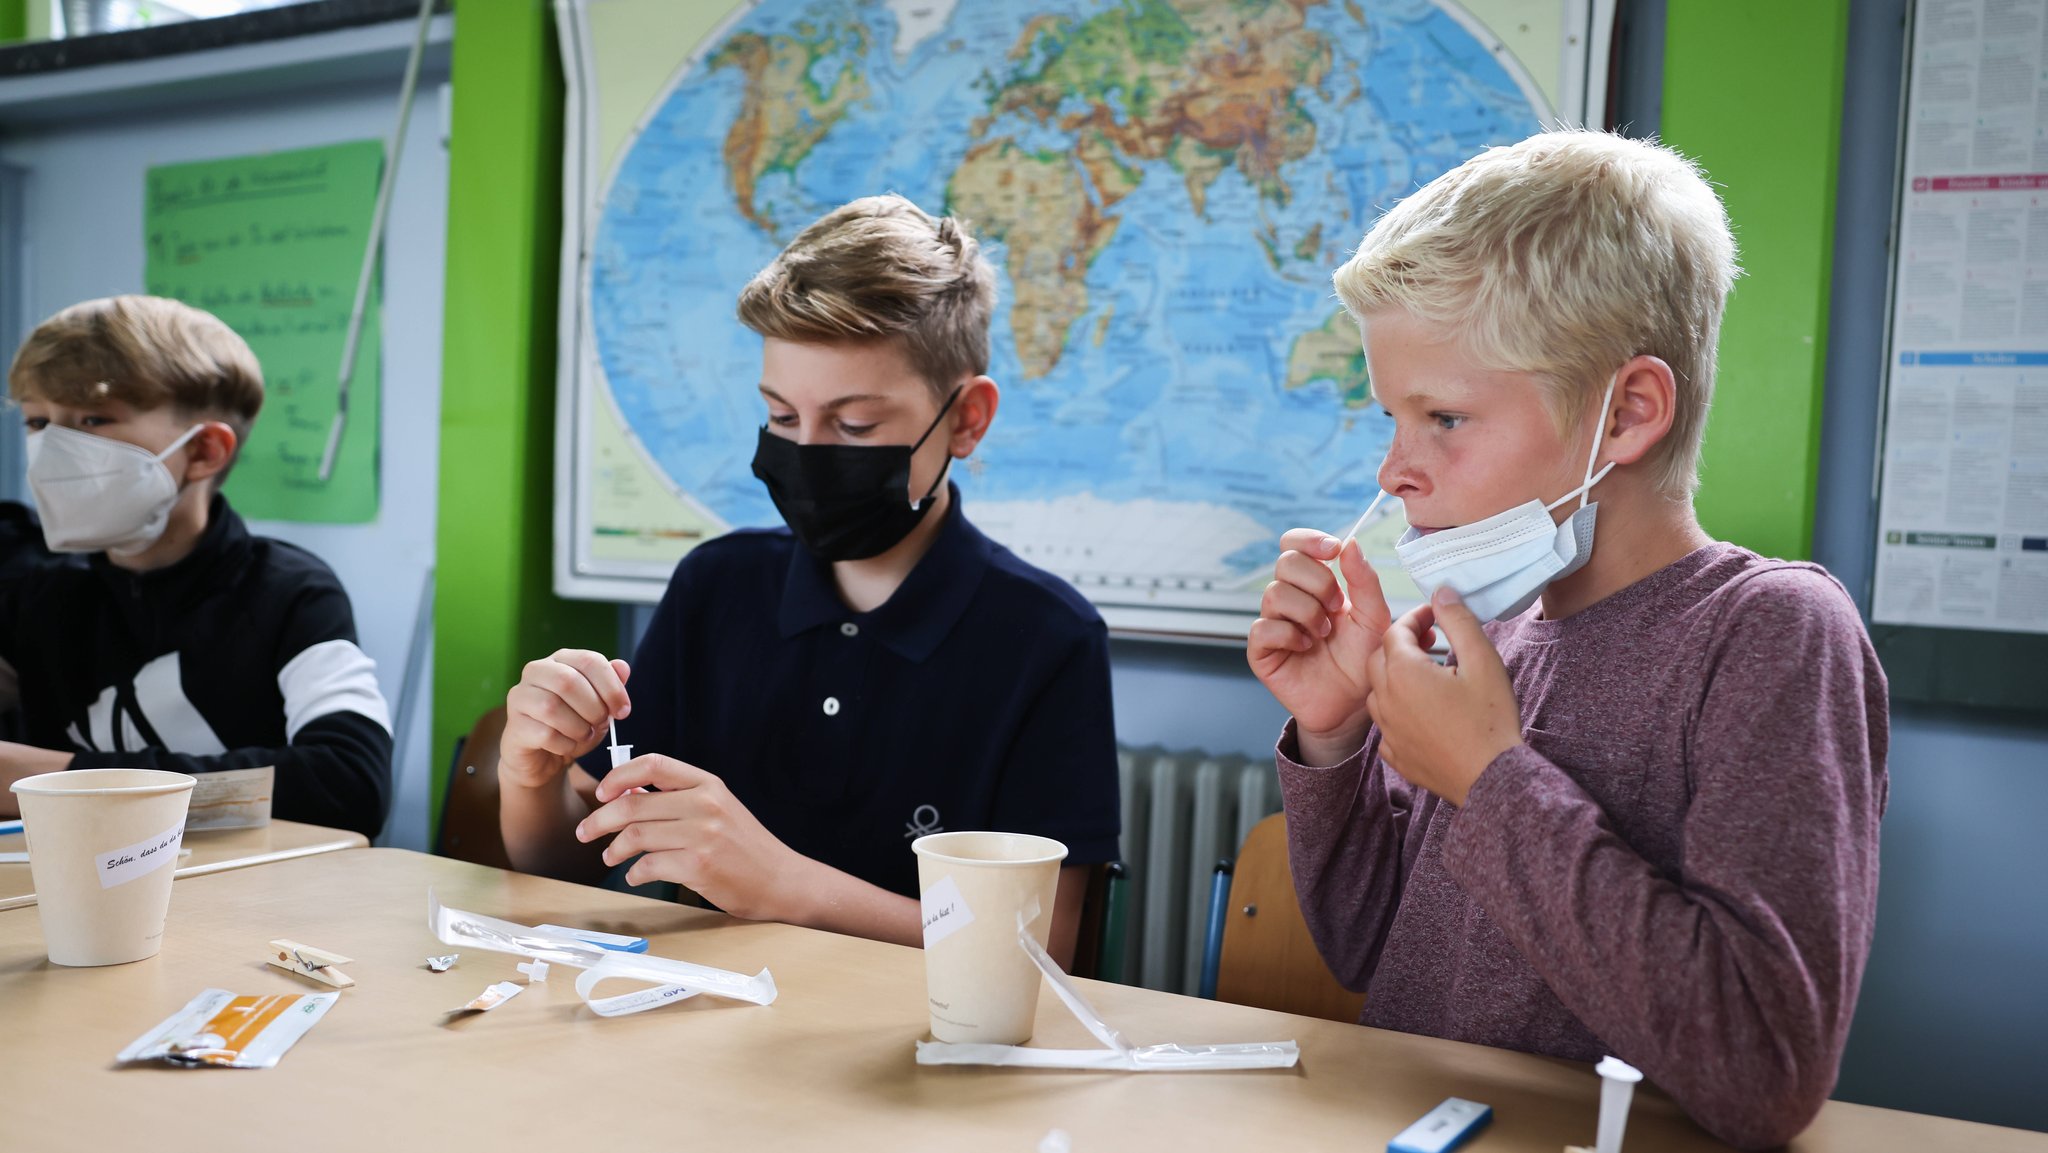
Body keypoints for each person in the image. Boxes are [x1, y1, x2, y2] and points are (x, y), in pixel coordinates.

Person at [1247, 131, 1887, 1149]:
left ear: (1626, 412)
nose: (1394, 472)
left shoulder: (1769, 634)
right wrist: (1334, 736)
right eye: (1390, 417)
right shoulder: (1484, 628)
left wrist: (1489, 777)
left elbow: (1762, 1072)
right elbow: (1370, 948)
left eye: (1443, 417)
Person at [499, 195, 1121, 965]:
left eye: (855, 425)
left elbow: (1044, 947)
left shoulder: (1046, 637)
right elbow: (567, 870)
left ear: (966, 420)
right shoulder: (715, 587)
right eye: (782, 417)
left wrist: (784, 886)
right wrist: (532, 777)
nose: (810, 451)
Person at [0, 295, 393, 837]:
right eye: (39, 422)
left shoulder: (293, 593)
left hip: (252, 902)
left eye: (93, 419)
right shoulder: (35, 596)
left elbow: (350, 786)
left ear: (205, 450)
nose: (54, 450)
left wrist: (61, 778)